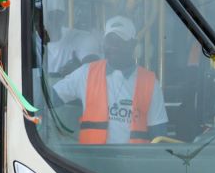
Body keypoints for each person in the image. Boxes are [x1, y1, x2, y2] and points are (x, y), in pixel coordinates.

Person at [50, 15, 169, 144]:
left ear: (133, 44)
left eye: (120, 41)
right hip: (91, 161)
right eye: (110, 40)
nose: (113, 46)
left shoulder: (150, 82)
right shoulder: (86, 73)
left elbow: (159, 133)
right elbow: (49, 98)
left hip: (134, 161)